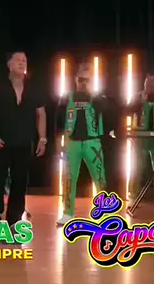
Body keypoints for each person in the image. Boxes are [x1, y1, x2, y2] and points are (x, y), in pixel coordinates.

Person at [0, 52, 47, 227]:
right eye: (18, 60)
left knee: (20, 181)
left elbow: (41, 113)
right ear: (9, 64)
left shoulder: (34, 87)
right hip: (1, 141)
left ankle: (14, 217)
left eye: (24, 60)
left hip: (24, 142)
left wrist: (42, 139)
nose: (22, 63)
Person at [55, 63, 109, 225]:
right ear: (75, 79)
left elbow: (108, 113)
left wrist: (93, 93)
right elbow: (58, 123)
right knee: (68, 179)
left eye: (87, 80)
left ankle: (105, 212)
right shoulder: (66, 98)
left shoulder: (98, 98)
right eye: (81, 79)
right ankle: (67, 213)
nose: (84, 83)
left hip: (93, 142)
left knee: (99, 177)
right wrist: (58, 144)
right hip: (72, 143)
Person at [127, 74, 154, 208]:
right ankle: (132, 197)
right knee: (136, 169)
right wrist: (139, 103)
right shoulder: (136, 97)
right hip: (140, 139)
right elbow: (127, 111)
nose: (151, 85)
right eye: (148, 82)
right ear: (144, 84)